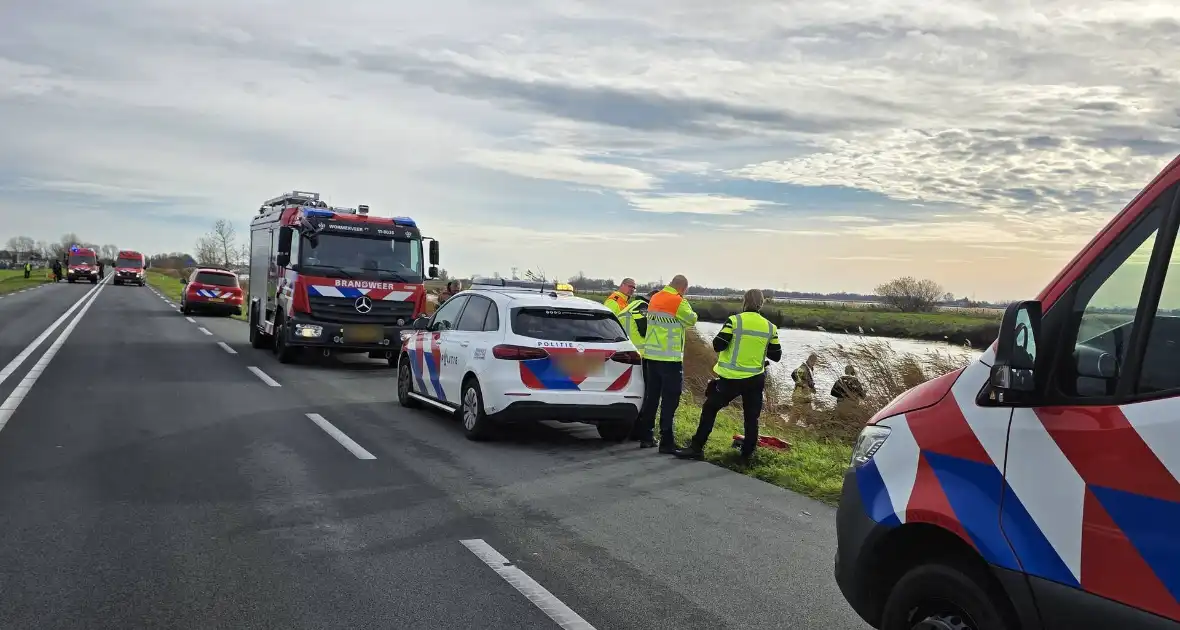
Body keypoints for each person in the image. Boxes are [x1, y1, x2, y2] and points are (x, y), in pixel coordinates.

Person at [675, 289, 782, 463]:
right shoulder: (770, 327)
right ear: (761, 304)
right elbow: (776, 355)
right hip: (755, 378)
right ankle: (747, 456)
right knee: (751, 418)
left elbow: (718, 345)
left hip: (731, 378)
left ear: (744, 301)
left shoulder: (734, 321)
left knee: (710, 408)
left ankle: (696, 448)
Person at [637, 275, 698, 452]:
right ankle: (666, 441)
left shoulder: (655, 298)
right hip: (670, 359)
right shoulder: (678, 301)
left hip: (651, 356)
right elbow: (692, 320)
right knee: (670, 401)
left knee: (651, 398)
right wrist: (684, 303)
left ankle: (646, 437)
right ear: (683, 287)